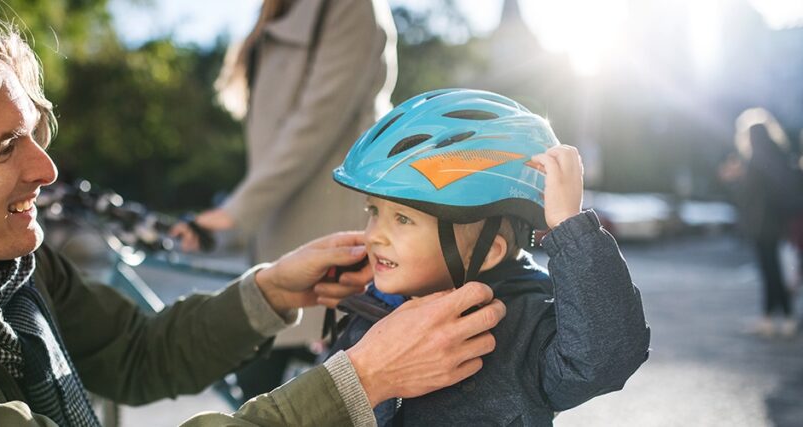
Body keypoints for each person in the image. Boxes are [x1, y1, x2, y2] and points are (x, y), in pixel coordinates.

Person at [0, 4, 506, 426]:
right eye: (4, 147)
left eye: (36, 131)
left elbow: (136, 353)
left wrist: (273, 290)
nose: (46, 168)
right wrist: (356, 381)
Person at [324, 89, 651, 425]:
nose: (373, 234)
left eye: (403, 219)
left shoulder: (521, 330)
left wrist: (570, 228)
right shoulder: (368, 317)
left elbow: (606, 358)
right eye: (373, 210)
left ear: (489, 251)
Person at [172, 0, 398, 400]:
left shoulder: (349, 7)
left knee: (325, 402)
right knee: (260, 398)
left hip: (333, 233)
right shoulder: (277, 13)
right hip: (279, 230)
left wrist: (235, 212)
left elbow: (316, 121)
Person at [721, 108, 799, 337]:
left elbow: (748, 195)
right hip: (778, 222)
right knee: (773, 270)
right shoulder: (778, 154)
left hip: (763, 224)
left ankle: (780, 317)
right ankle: (779, 317)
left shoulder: (757, 159)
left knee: (770, 271)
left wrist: (733, 180)